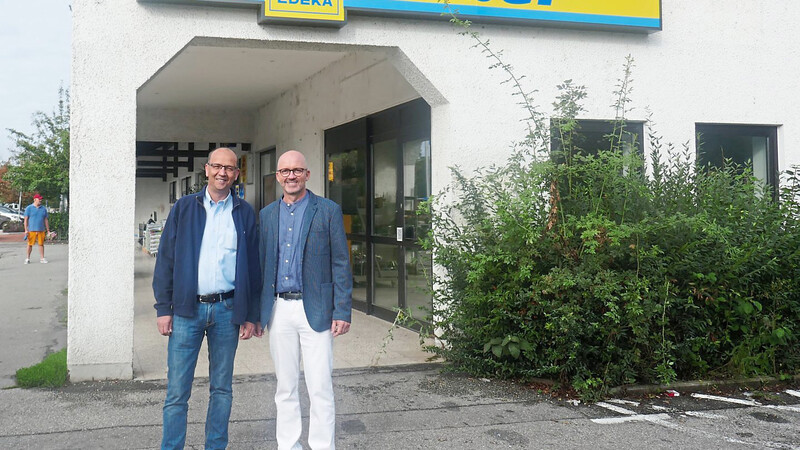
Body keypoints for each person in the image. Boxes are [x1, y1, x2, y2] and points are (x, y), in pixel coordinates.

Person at [152, 147, 261, 450]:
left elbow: (253, 266)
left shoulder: (244, 212)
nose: (223, 173)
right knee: (177, 393)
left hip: (227, 311)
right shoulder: (184, 208)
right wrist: (164, 308)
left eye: (229, 168)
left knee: (222, 389)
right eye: (217, 166)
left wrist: (251, 314)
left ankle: (216, 446)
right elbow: (166, 260)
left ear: (237, 174)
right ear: (207, 169)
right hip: (187, 311)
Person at [256, 150, 352, 450]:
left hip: (318, 310)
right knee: (285, 387)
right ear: (278, 176)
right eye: (285, 171)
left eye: (297, 170)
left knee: (320, 386)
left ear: (307, 175)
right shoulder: (267, 215)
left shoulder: (328, 210)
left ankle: (323, 446)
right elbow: (262, 265)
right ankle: (289, 445)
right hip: (279, 310)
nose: (291, 176)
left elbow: (340, 263)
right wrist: (256, 313)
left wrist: (342, 310)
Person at [23, 193, 50, 264]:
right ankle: (27, 258)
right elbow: (26, 219)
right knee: (30, 244)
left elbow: (46, 220)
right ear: (35, 199)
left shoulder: (43, 209)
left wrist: (48, 230)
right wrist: (26, 230)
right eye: (39, 199)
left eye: (41, 199)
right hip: (31, 230)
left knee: (41, 244)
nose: (40, 200)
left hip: (41, 230)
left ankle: (42, 258)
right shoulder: (29, 208)